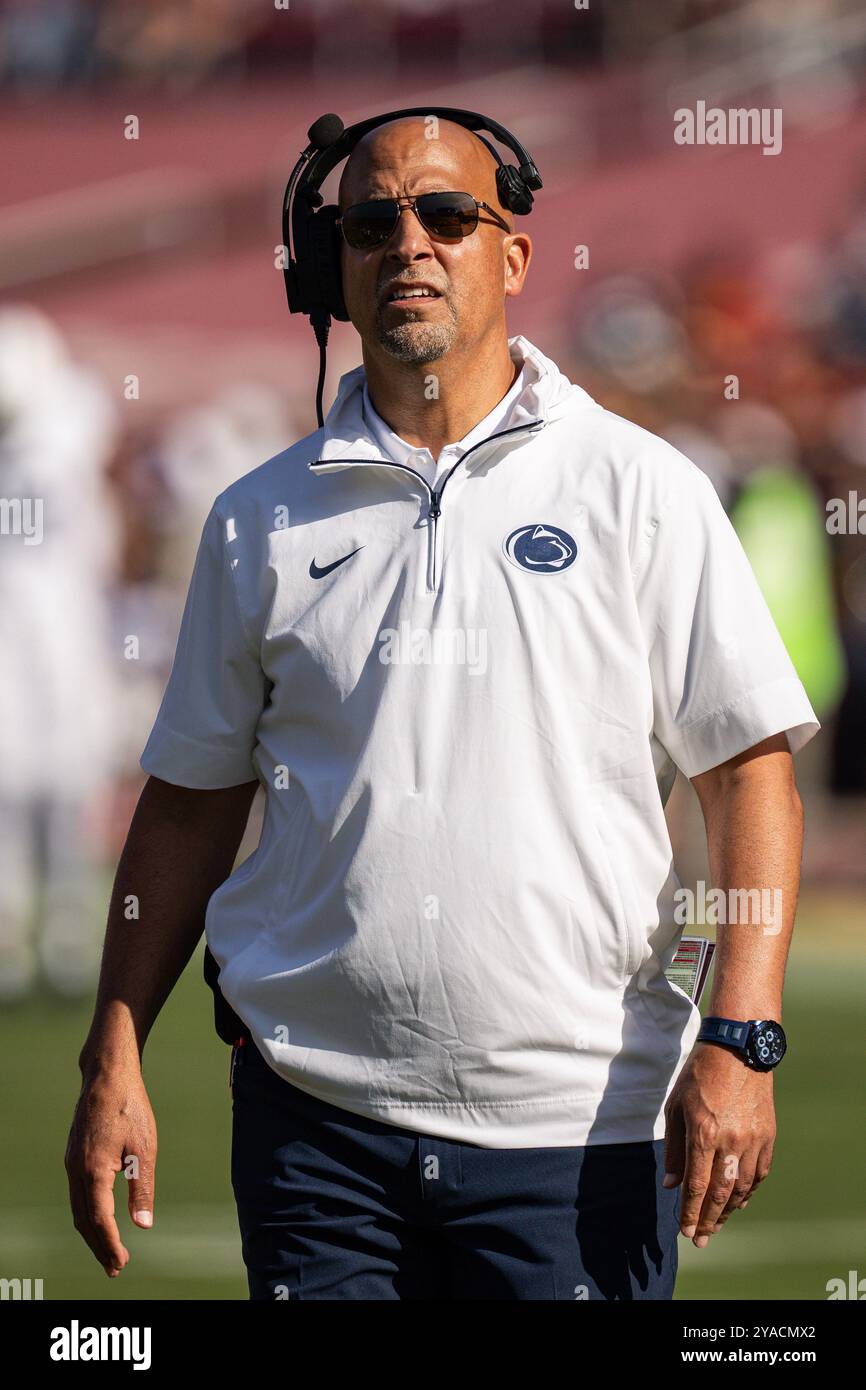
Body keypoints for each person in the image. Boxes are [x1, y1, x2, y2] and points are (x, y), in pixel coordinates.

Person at [67, 114, 819, 1300]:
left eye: (445, 215)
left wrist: (742, 1034)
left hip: (579, 1133)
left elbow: (749, 774)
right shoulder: (255, 518)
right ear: (335, 268)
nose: (407, 243)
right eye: (372, 223)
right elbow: (185, 805)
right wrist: (113, 1042)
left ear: (510, 255)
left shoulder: (641, 488)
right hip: (315, 1129)